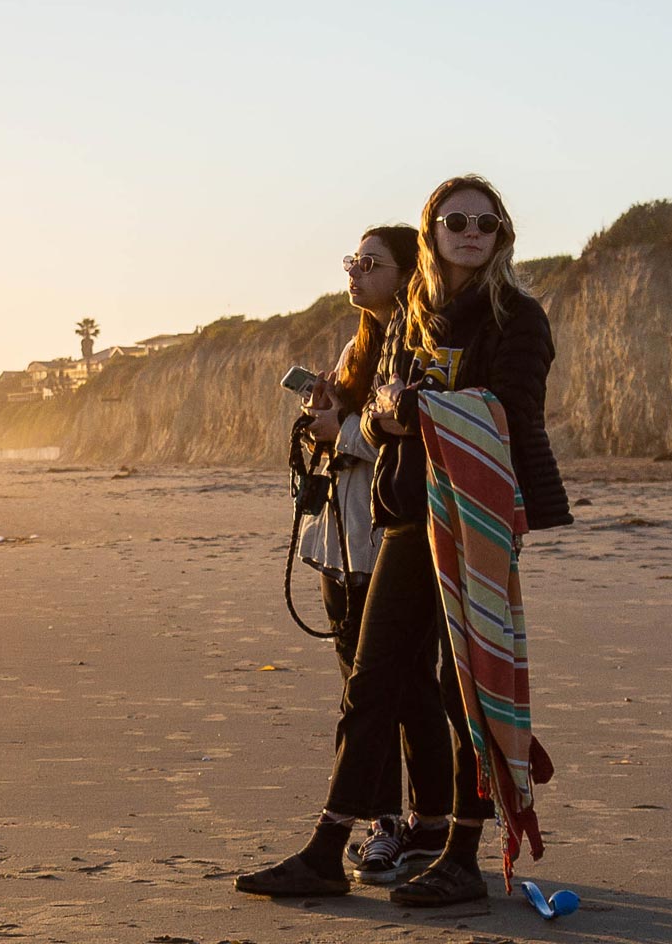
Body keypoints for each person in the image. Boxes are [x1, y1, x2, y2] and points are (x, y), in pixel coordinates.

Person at [238, 175, 571, 908]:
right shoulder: (412, 316)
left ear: (503, 234)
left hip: (473, 519)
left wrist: (411, 407)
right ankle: (328, 850)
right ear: (433, 230)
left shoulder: (517, 317)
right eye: (455, 220)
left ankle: (461, 855)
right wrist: (388, 411)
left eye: (487, 221)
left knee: (465, 690)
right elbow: (386, 399)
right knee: (372, 678)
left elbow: (511, 411)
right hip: (406, 514)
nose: (471, 230)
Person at [288, 224, 440, 883]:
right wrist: (325, 418)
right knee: (368, 685)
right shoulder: (365, 345)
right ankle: (392, 823)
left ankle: (415, 826)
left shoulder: (417, 345)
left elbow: (419, 437)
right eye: (352, 260)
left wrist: (341, 429)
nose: (353, 272)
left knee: (401, 690)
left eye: (369, 263)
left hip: (389, 543)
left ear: (406, 272)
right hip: (342, 540)